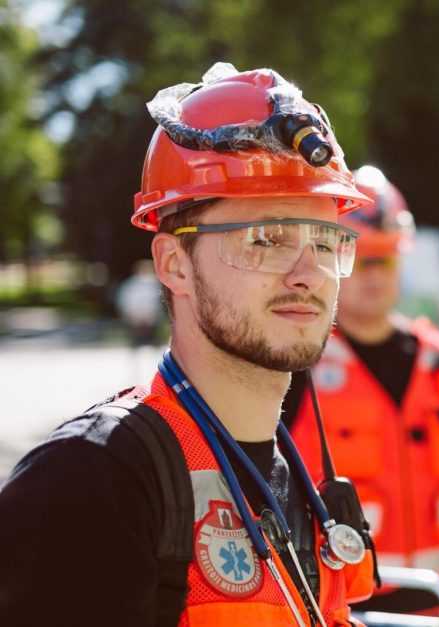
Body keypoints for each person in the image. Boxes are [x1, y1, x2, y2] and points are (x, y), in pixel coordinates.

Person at [0, 63, 377, 626]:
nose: (309, 274)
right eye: (267, 239)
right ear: (174, 263)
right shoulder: (93, 481)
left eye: (326, 241)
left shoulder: (288, 474)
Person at [284, 165, 439, 619]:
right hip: (342, 608)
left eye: (385, 259)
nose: (373, 275)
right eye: (359, 259)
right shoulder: (301, 363)